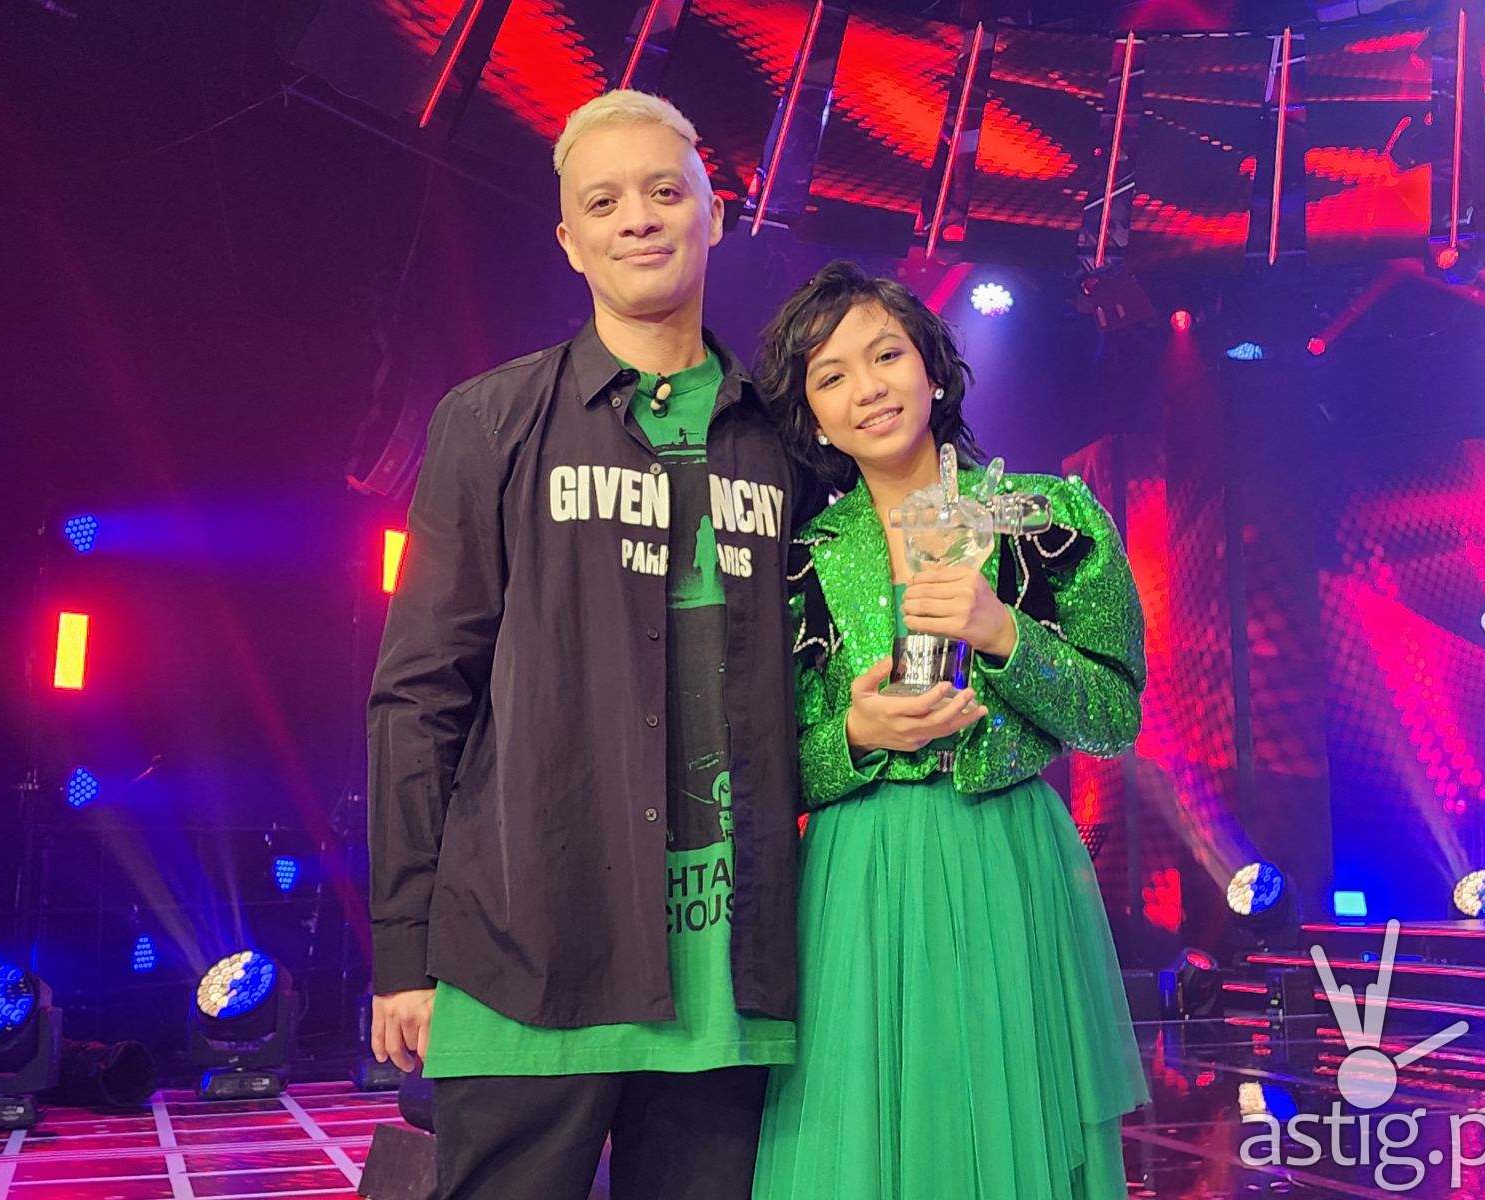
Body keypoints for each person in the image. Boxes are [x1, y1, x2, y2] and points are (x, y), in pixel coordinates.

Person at [366, 90, 801, 1200]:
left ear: (715, 213)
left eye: (664, 191)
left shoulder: (787, 442)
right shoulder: (489, 420)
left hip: (731, 983)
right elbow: (419, 695)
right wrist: (404, 948)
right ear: (569, 239)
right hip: (526, 959)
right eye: (603, 203)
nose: (638, 218)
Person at [750, 260, 1150, 1199]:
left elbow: (1114, 718)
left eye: (886, 355)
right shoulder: (795, 560)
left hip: (1007, 856)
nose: (868, 387)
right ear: (814, 418)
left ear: (933, 370)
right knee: (865, 1139)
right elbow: (767, 768)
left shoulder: (1049, 517)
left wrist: (1005, 633)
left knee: (1014, 1131)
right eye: (832, 376)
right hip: (859, 875)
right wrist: (855, 735)